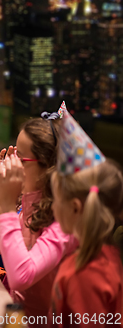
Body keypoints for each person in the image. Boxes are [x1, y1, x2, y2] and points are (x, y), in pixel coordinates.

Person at [0, 114, 77, 322]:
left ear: (49, 166)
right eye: (14, 153)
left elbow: (21, 276)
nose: (12, 164)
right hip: (18, 315)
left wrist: (7, 206)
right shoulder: (30, 203)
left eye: (21, 158)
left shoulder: (65, 224)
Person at [47, 111, 123, 326]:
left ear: (75, 207)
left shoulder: (84, 275)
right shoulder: (109, 256)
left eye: (56, 199)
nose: (52, 206)